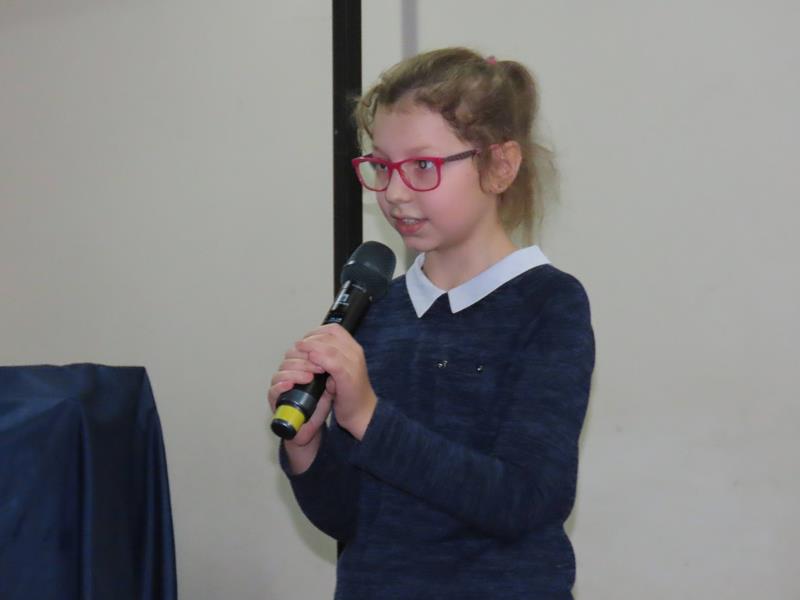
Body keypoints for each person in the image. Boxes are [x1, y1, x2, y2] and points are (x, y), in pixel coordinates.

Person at [268, 47, 595, 599]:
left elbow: (526, 500)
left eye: (422, 166)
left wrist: (369, 417)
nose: (395, 193)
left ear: (499, 165)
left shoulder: (548, 304)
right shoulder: (374, 311)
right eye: (382, 166)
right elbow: (348, 519)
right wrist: (307, 447)